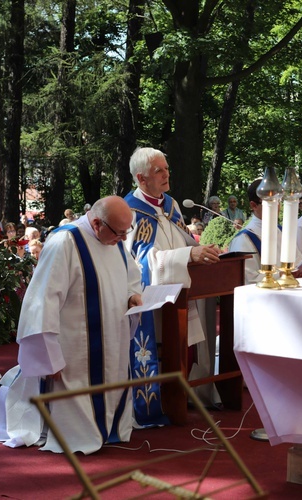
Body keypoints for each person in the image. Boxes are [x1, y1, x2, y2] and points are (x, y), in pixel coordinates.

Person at [0, 196, 143, 453]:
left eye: (127, 231)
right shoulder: (65, 242)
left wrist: (132, 295)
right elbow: (42, 300)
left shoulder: (114, 239)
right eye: (119, 232)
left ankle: (110, 429)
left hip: (112, 342)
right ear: (96, 223)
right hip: (75, 350)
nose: (124, 239)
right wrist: (47, 356)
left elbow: (129, 276)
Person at [124, 147, 222, 422]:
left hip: (179, 292)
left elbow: (183, 241)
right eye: (159, 170)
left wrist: (206, 250)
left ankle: (185, 394)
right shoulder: (130, 211)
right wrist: (188, 255)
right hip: (149, 300)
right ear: (141, 178)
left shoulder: (171, 205)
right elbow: (141, 263)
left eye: (166, 168)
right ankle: (158, 402)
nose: (167, 174)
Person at [228, 179, 302, 284]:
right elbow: (247, 280)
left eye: (278, 200)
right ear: (253, 205)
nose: (277, 206)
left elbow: (298, 261)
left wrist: (301, 271)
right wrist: (281, 276)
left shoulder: (283, 232)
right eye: (270, 201)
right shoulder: (243, 240)